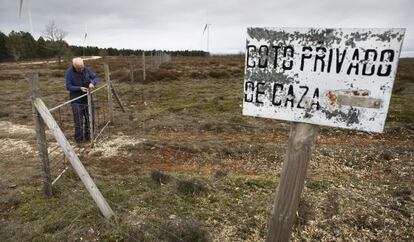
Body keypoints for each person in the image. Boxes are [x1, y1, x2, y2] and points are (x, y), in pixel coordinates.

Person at [65, 57, 99, 144]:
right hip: (76, 100)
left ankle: (89, 136)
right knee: (79, 121)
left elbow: (95, 77)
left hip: (87, 98)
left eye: (82, 67)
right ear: (74, 66)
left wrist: (93, 83)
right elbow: (68, 86)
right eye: (79, 68)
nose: (81, 69)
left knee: (90, 118)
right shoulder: (69, 73)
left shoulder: (87, 70)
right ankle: (79, 140)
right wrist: (79, 88)